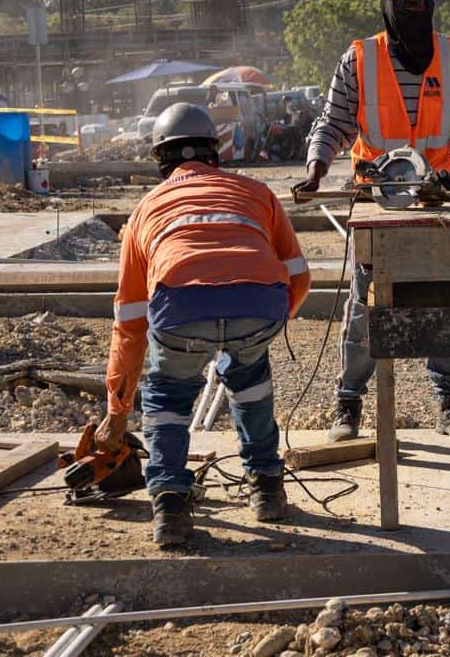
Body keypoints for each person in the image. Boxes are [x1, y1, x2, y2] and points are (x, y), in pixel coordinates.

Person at [293, 0, 450, 445]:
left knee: (443, 300)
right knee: (365, 306)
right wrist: (316, 167)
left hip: (435, 198)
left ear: (431, 4)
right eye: (403, 3)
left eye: (420, 2)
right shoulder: (360, 59)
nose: (413, 11)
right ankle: (348, 402)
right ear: (385, 5)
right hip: (377, 200)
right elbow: (333, 123)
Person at [96, 102, 311, 546]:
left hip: (180, 307)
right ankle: (267, 489)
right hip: (260, 302)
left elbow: (130, 321)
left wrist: (118, 411)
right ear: (216, 151)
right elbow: (299, 275)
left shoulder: (145, 210)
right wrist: (265, 324)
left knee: (168, 394)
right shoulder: (256, 193)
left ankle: (170, 506)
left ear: (160, 158)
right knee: (250, 379)